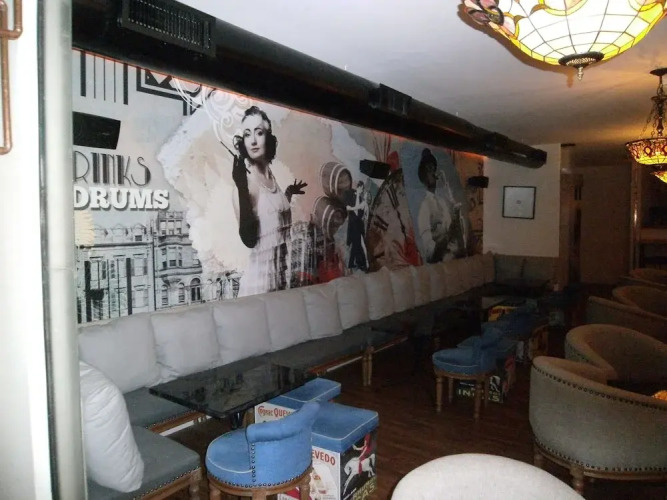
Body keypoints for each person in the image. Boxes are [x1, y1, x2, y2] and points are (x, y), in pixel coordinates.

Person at [230, 105, 307, 296]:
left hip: (281, 280)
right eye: (247, 134)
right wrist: (241, 186)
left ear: (269, 138)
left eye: (259, 133)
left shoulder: (271, 177)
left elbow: (271, 214)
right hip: (260, 286)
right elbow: (249, 239)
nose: (253, 141)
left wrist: (288, 193)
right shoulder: (246, 185)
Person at [416, 148, 462, 263]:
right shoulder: (424, 207)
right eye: (429, 169)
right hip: (440, 264)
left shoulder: (442, 202)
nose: (434, 172)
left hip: (453, 260)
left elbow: (453, 235)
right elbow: (429, 253)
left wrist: (456, 220)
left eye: (433, 168)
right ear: (423, 176)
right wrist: (446, 239)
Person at [345, 181, 369, 271]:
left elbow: (360, 211)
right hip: (354, 225)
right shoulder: (352, 195)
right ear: (358, 187)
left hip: (358, 225)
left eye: (363, 190)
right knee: (358, 245)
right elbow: (352, 209)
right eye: (361, 189)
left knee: (358, 245)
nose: (362, 191)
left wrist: (364, 204)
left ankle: (358, 263)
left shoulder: (362, 201)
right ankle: (361, 263)